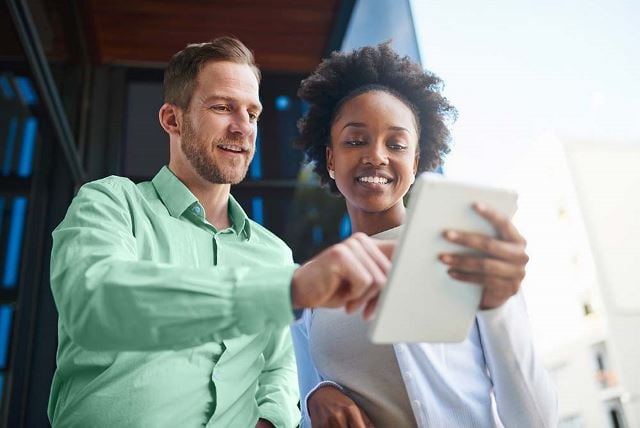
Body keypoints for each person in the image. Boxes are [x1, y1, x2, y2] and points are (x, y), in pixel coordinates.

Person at [47, 37, 394, 428]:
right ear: (172, 119)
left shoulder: (273, 254)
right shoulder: (111, 203)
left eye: (253, 113)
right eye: (223, 107)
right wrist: (286, 290)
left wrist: (270, 421)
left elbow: (277, 370)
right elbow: (96, 304)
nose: (242, 128)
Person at [291, 43, 558, 427]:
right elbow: (302, 409)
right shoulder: (315, 285)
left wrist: (498, 307)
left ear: (415, 162)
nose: (377, 156)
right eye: (355, 140)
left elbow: (536, 420)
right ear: (331, 159)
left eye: (396, 144)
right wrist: (316, 396)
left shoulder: (461, 250)